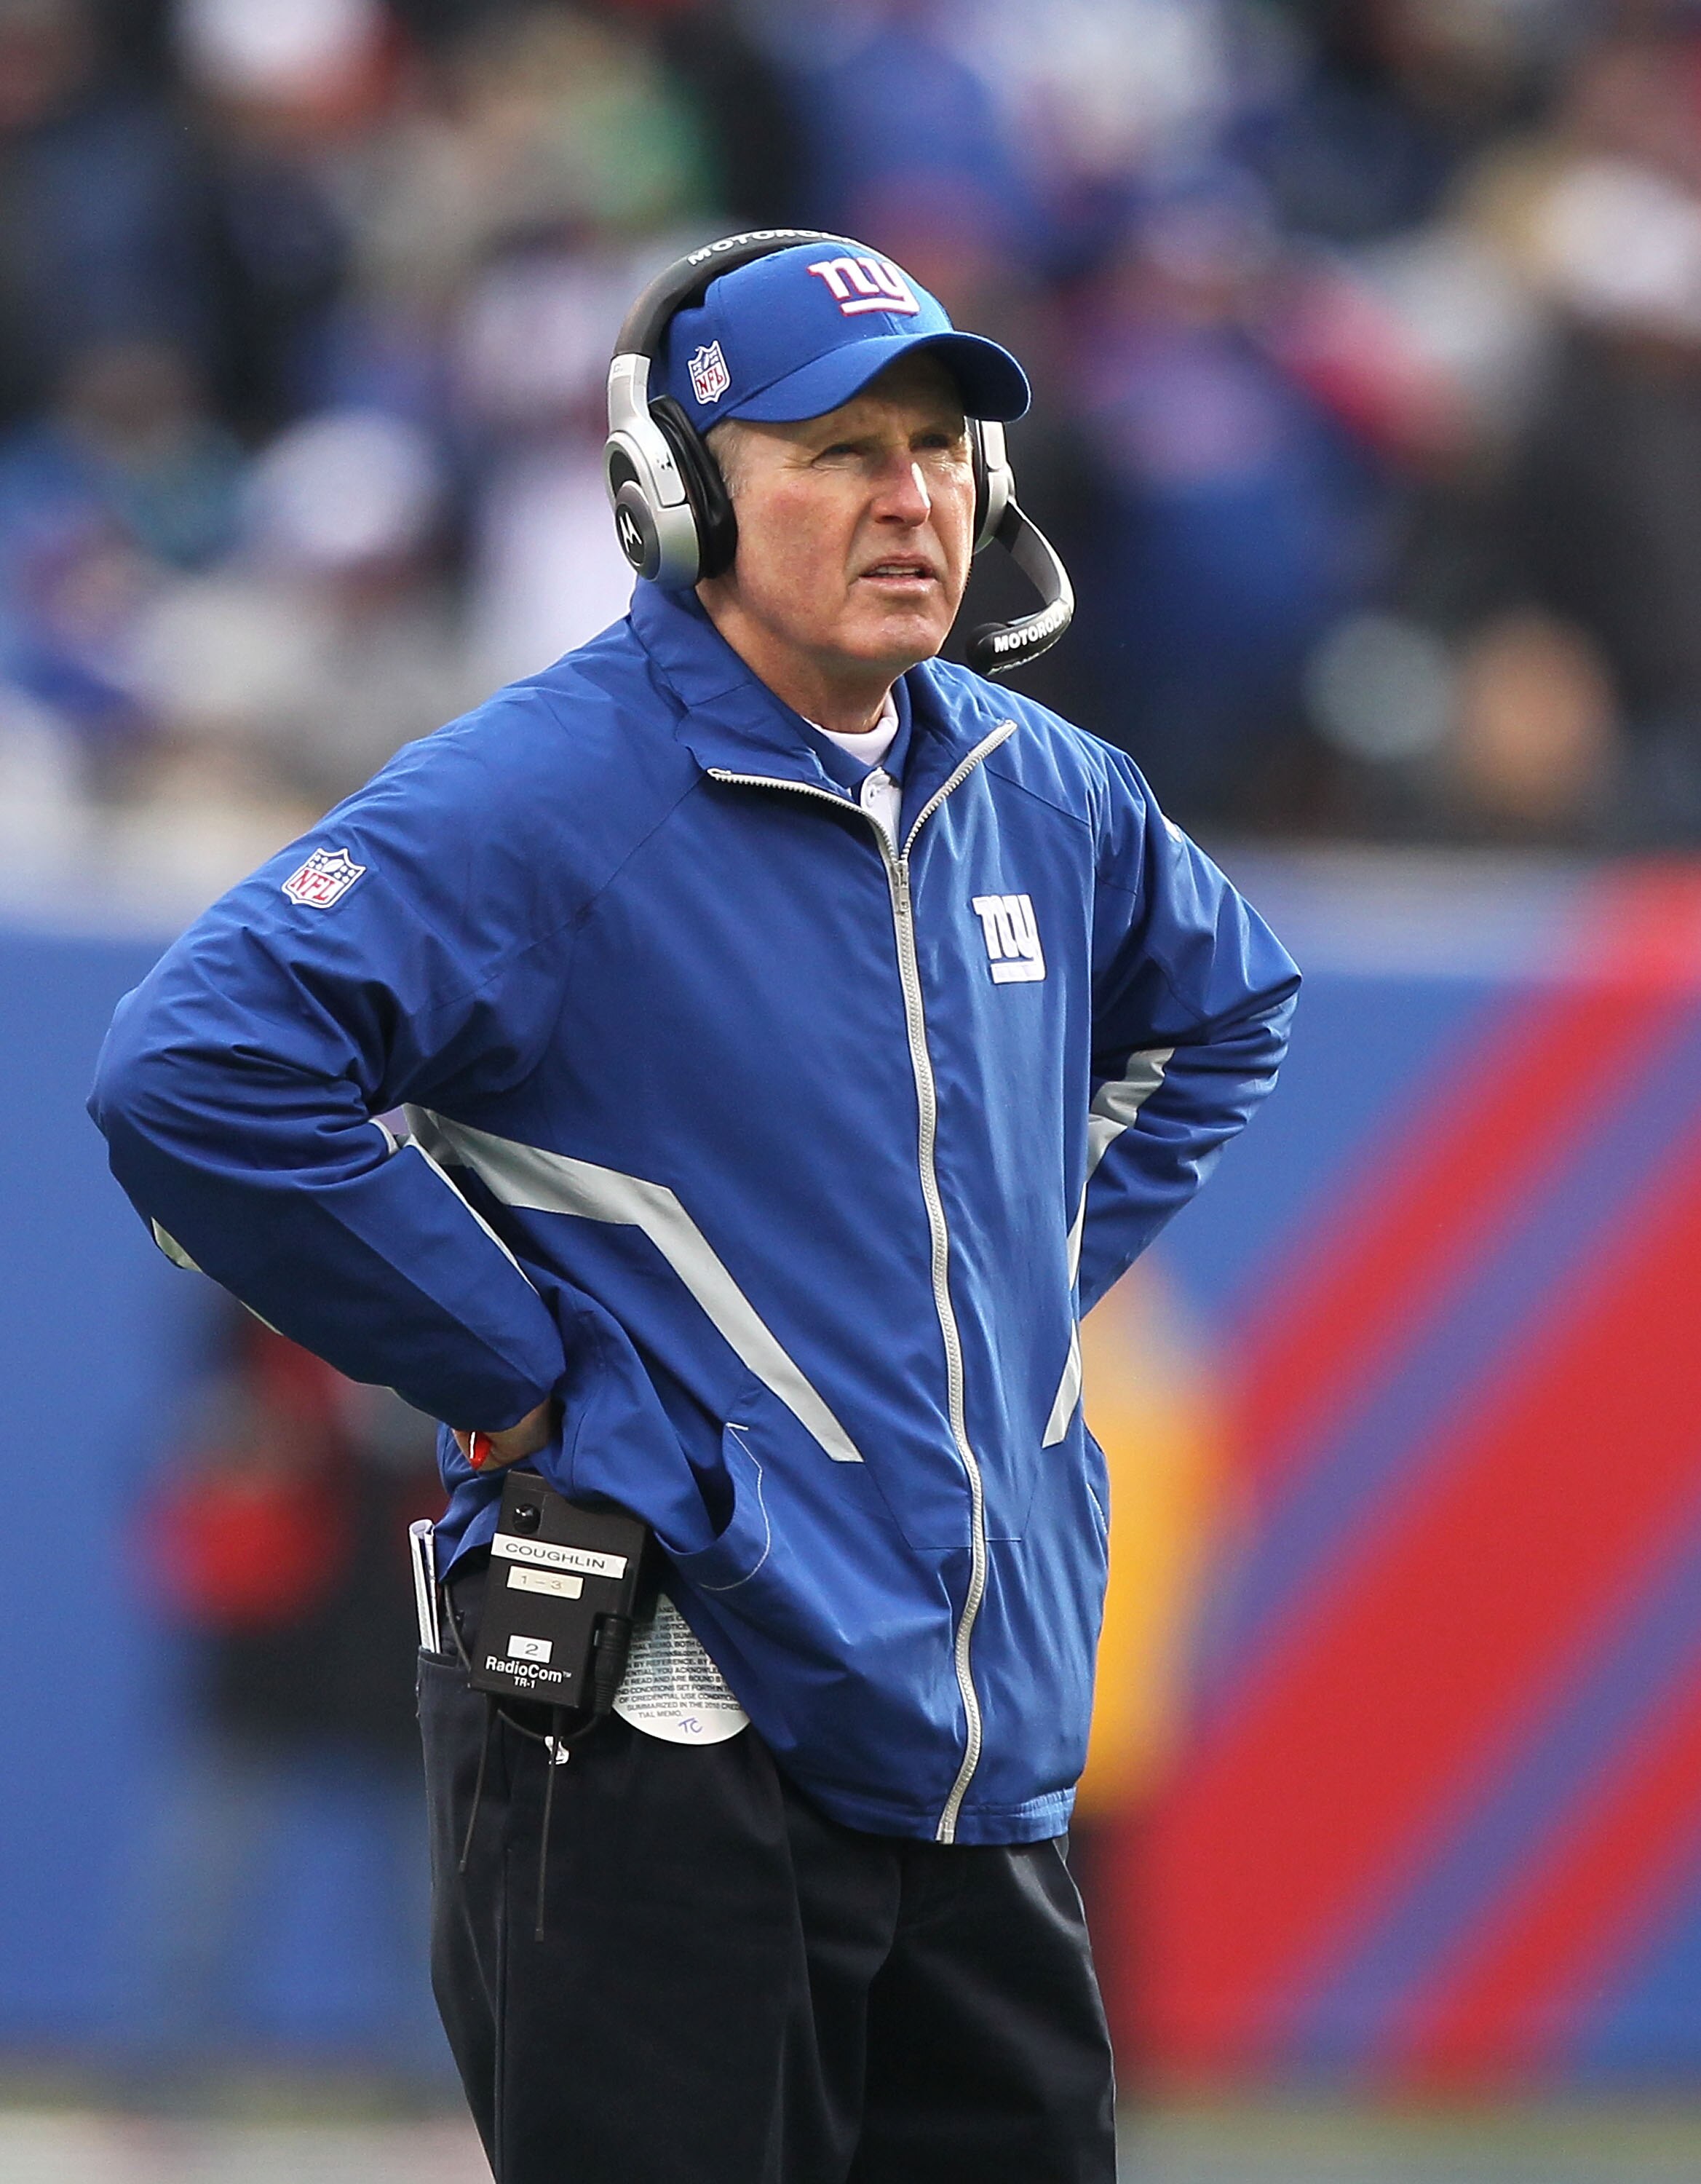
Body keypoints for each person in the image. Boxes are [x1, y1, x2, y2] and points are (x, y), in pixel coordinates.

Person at [90, 232, 1299, 2183]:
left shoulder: (1044, 789)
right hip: (656, 1732)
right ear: (674, 494)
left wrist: (999, 1292)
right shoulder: (545, 791)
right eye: (834, 449)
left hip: (967, 1738)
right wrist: (514, 1362)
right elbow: (195, 1075)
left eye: (936, 446)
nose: (908, 496)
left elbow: (1222, 1007)